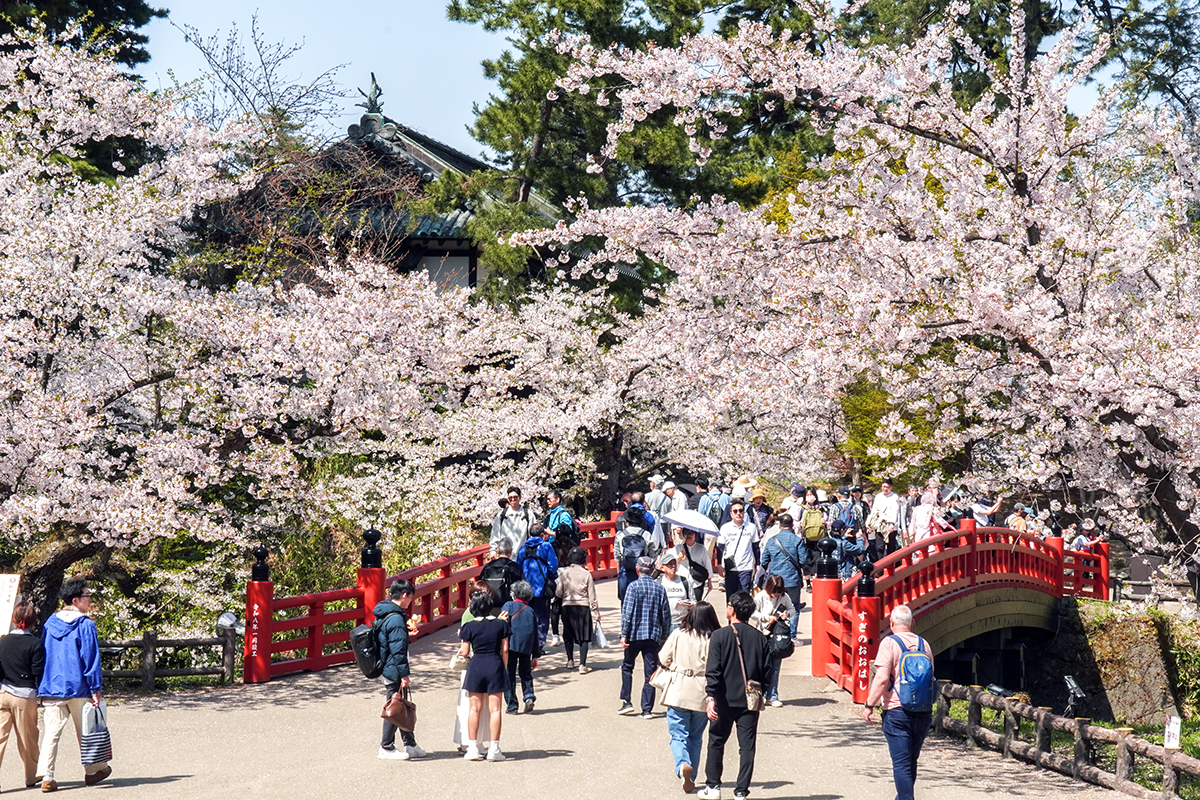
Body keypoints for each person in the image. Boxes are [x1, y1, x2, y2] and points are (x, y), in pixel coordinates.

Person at [36, 578, 111, 789]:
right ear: (75, 600)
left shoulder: (50, 624)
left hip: (52, 686)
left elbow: (43, 654)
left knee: (51, 733)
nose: (90, 600)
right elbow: (90, 657)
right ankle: (93, 771)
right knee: (86, 730)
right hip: (78, 686)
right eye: (87, 596)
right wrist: (95, 688)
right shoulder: (85, 625)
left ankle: (47, 776)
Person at [698, 591, 770, 800]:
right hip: (750, 700)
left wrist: (710, 697)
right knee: (747, 746)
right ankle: (741, 791)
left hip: (723, 698)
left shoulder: (720, 636)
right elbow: (767, 671)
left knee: (716, 740)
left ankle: (713, 786)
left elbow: (713, 670)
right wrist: (761, 692)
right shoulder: (759, 637)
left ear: (733, 610)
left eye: (729, 604)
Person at [863, 605, 934, 800]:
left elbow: (882, 679)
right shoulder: (924, 644)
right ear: (912, 622)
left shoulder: (889, 643)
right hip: (923, 710)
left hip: (897, 710)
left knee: (901, 763)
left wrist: (869, 705)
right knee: (911, 760)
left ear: (891, 622)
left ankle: (906, 798)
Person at [658, 602, 721, 793]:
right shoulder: (713, 638)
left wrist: (675, 665)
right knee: (695, 737)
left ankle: (682, 765)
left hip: (679, 688)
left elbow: (663, 658)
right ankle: (691, 776)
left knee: (678, 735)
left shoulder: (679, 634)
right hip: (703, 691)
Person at [375, 578, 425, 761]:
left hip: (388, 665)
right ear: (404, 595)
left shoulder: (386, 612)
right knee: (394, 706)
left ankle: (410, 744)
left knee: (402, 704)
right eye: (411, 597)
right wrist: (404, 674)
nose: (411, 601)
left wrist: (405, 632)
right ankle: (386, 746)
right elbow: (397, 650)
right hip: (393, 667)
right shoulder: (396, 617)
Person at [458, 591, 510, 762]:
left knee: (474, 709)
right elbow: (505, 649)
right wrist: (503, 666)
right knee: (495, 709)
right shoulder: (501, 625)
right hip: (495, 664)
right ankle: (494, 749)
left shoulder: (469, 627)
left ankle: (473, 748)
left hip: (476, 666)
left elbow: (465, 652)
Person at [618, 556, 672, 718]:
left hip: (634, 634)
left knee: (627, 666)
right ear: (653, 570)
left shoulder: (633, 587)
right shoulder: (659, 589)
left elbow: (627, 613)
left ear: (637, 569)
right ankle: (647, 708)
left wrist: (624, 634)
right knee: (650, 671)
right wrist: (664, 635)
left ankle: (627, 701)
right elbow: (666, 615)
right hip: (653, 635)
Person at [0, 595, 44, 789]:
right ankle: (31, 776)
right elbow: (37, 671)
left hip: (3, 693)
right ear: (33, 622)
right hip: (24, 696)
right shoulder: (35, 644)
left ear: (14, 619)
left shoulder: (3, 641)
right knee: (28, 738)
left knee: (0, 738)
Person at [760, 513, 807, 640]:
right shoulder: (797, 541)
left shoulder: (772, 541)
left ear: (779, 525)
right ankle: (791, 636)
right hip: (792, 579)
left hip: (775, 580)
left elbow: (764, 561)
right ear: (792, 526)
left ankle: (773, 632)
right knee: (793, 607)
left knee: (773, 606)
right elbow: (803, 561)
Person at [751, 576, 793, 708]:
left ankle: (772, 696)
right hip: (763, 633)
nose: (775, 595)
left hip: (777, 634)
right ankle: (762, 694)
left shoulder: (783, 597)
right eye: (774, 592)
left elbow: (792, 609)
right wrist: (766, 618)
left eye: (778, 592)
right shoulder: (760, 597)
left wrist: (787, 614)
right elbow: (752, 613)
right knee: (762, 666)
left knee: (775, 667)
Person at [556, 547, 600, 673]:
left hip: (567, 606)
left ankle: (570, 660)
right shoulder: (586, 574)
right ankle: (582, 664)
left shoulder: (564, 574)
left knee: (568, 634)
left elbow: (558, 592)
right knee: (584, 636)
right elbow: (592, 595)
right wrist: (596, 611)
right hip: (583, 607)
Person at [517, 523, 558, 651]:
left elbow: (518, 566)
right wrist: (550, 576)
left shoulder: (523, 548)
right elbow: (553, 565)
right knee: (542, 616)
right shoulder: (546, 546)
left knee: (526, 616)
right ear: (542, 534)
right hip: (542, 588)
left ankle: (528, 644)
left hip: (525, 589)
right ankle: (538, 646)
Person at [500, 580, 540, 713]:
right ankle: (529, 696)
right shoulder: (531, 611)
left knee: (509, 674)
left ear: (514, 593)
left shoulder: (508, 605)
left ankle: (512, 705)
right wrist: (535, 655)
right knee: (526, 673)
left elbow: (502, 624)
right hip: (526, 647)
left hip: (510, 645)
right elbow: (535, 634)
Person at [716, 500, 760, 598]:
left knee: (744, 597)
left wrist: (758, 564)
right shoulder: (725, 528)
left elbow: (756, 547)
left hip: (746, 567)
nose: (738, 513)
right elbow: (720, 548)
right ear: (731, 514)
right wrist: (719, 565)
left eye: (740, 511)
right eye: (735, 511)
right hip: (731, 567)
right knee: (731, 597)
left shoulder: (751, 527)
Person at [480, 538, 525, 608]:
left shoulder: (488, 566)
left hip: (489, 606)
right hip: (508, 607)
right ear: (511, 551)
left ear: (497, 550)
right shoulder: (515, 567)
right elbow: (523, 588)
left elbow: (480, 584)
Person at [657, 552, 695, 632]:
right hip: (664, 625)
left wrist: (690, 605)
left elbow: (694, 602)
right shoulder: (658, 583)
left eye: (674, 563)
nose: (673, 566)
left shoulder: (685, 581)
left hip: (682, 624)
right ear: (662, 568)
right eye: (670, 564)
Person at [491, 486, 536, 552]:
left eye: (515, 497)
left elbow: (533, 534)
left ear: (520, 498)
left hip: (522, 554)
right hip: (505, 554)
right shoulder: (502, 514)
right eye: (510, 497)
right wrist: (493, 550)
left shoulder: (528, 514)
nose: (512, 499)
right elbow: (495, 533)